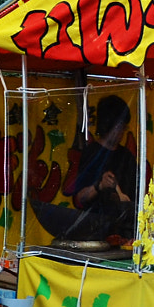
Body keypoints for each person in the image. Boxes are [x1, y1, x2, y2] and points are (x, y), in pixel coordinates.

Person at [30, 95, 139, 242]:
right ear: (107, 124)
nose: (122, 131)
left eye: (123, 127)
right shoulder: (91, 153)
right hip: (94, 231)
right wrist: (99, 186)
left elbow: (134, 198)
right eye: (119, 126)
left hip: (125, 232)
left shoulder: (127, 157)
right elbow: (81, 196)